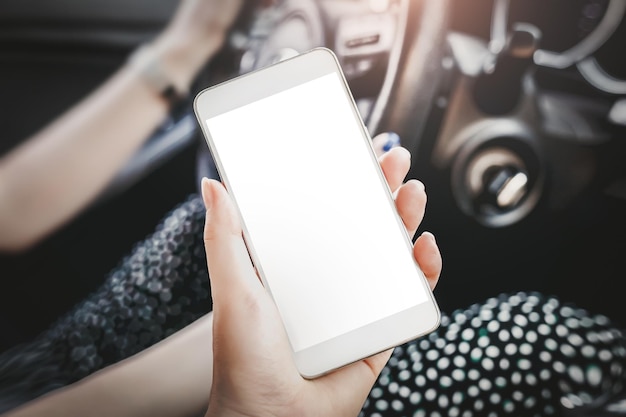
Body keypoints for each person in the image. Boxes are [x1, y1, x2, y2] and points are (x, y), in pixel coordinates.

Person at [0, 1, 624, 416]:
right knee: (537, 340)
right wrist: (246, 387)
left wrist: (191, 39)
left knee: (211, 226)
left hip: (50, 375)